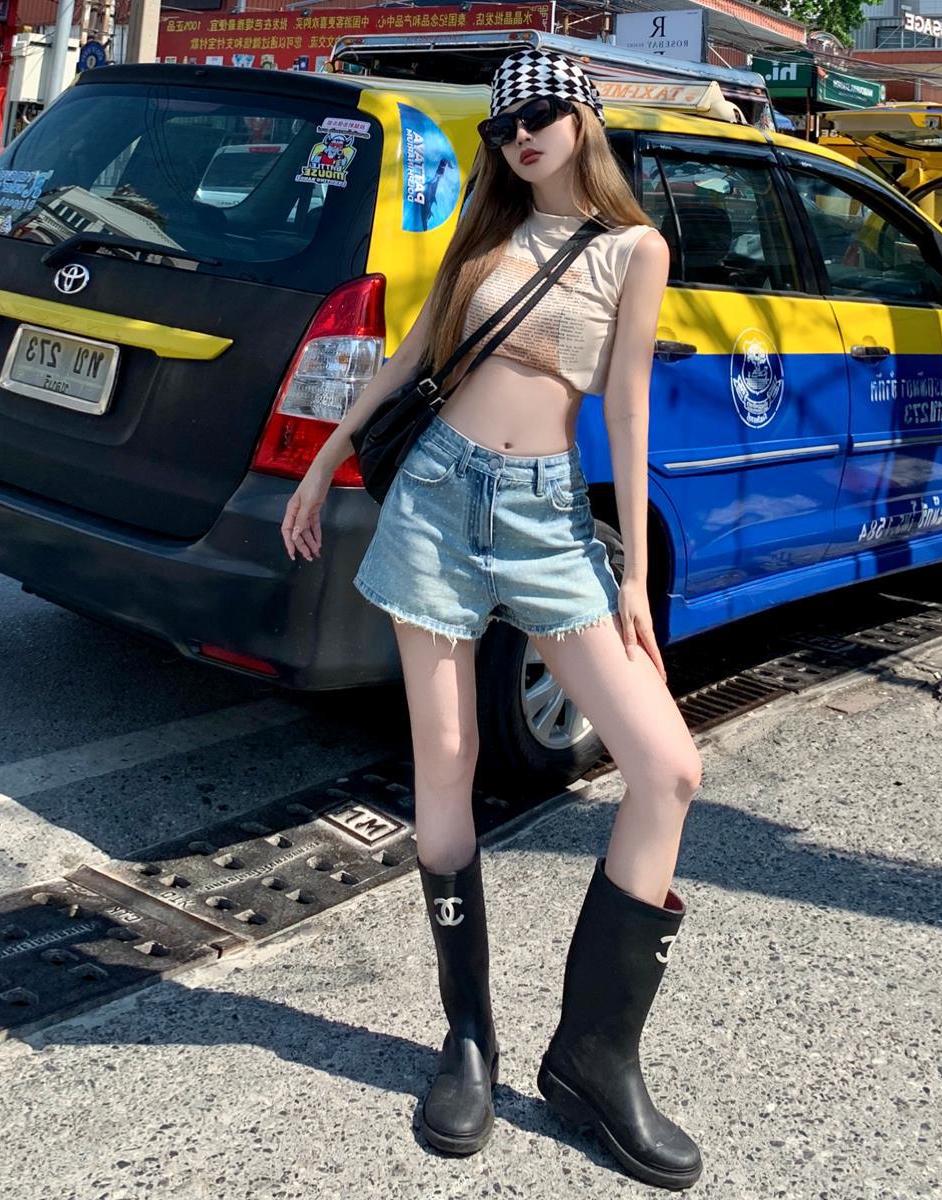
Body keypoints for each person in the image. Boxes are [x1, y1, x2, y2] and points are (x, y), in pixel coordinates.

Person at [280, 49, 704, 1190]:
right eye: (507, 120)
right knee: (448, 762)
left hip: (548, 518)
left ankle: (596, 1056)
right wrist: (322, 461)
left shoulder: (635, 249)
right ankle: (467, 1040)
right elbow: (413, 355)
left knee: (666, 766)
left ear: (585, 120)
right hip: (434, 498)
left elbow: (627, 405)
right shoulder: (485, 227)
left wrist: (628, 573)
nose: (522, 133)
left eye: (543, 112)